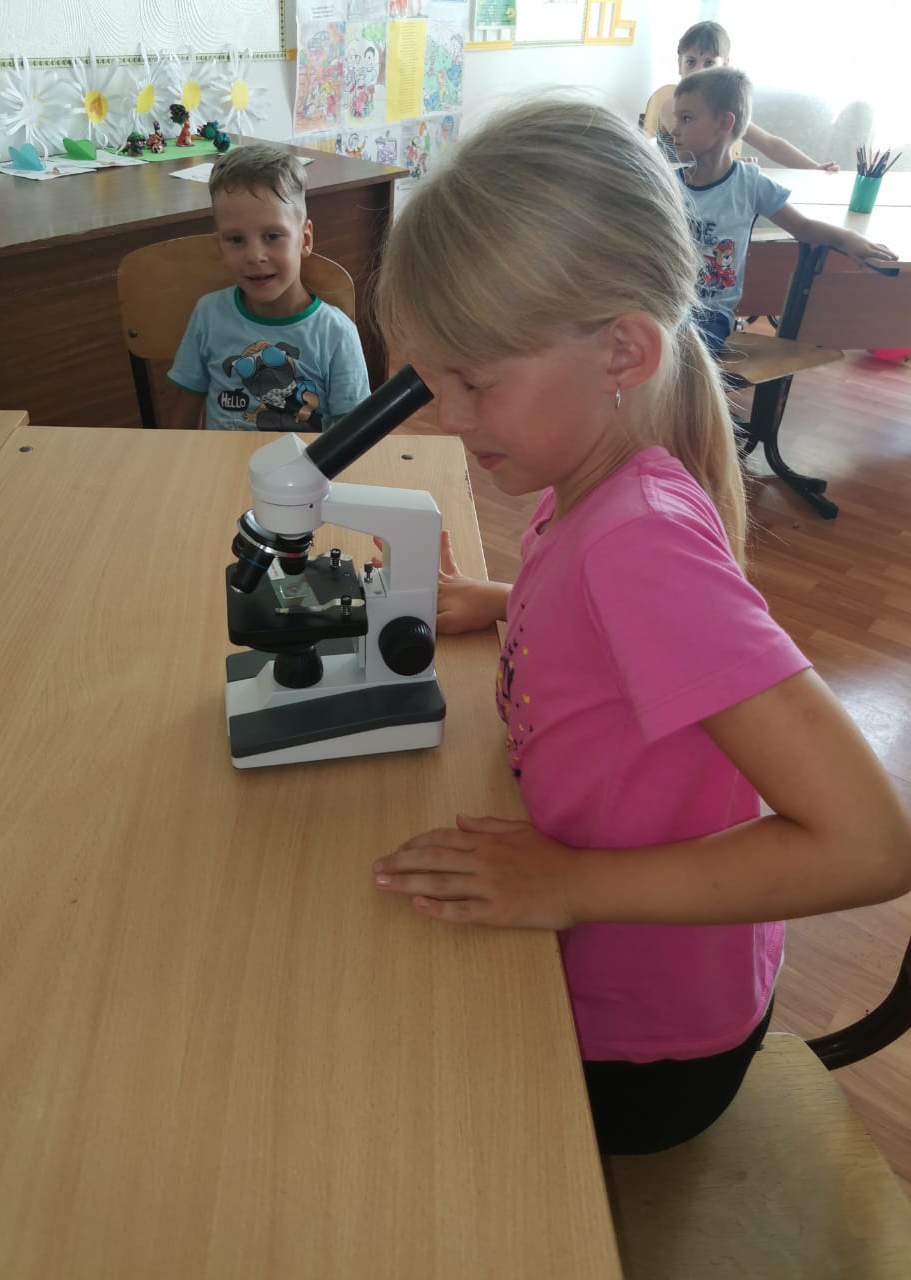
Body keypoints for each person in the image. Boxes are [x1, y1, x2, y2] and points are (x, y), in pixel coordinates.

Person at [368, 94, 911, 1156]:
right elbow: (613, 639)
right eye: (436, 382)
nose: (449, 417)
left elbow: (871, 843)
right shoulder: (591, 485)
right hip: (614, 973)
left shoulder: (640, 541)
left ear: (621, 350)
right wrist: (503, 601)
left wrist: (570, 883)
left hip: (647, 1046)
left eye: (473, 382)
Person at [671, 66, 895, 354]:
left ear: (724, 123)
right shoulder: (667, 184)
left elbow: (803, 228)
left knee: (679, 356)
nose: (674, 130)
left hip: (711, 315)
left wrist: (847, 238)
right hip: (667, 304)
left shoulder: (749, 184)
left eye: (686, 119)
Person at [167, 145, 370, 430]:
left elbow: (355, 435)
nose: (255, 256)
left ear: (305, 239)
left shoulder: (336, 334)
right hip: (223, 460)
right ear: (219, 247)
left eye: (272, 236)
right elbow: (182, 425)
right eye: (236, 240)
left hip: (307, 461)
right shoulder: (208, 315)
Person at [652, 21, 839, 171]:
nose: (699, 70)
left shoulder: (725, 110)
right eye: (691, 62)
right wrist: (732, 166)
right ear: (679, 65)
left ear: (725, 66)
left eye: (709, 63)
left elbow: (769, 144)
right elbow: (691, 155)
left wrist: (814, 168)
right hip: (671, 189)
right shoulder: (672, 106)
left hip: (708, 190)